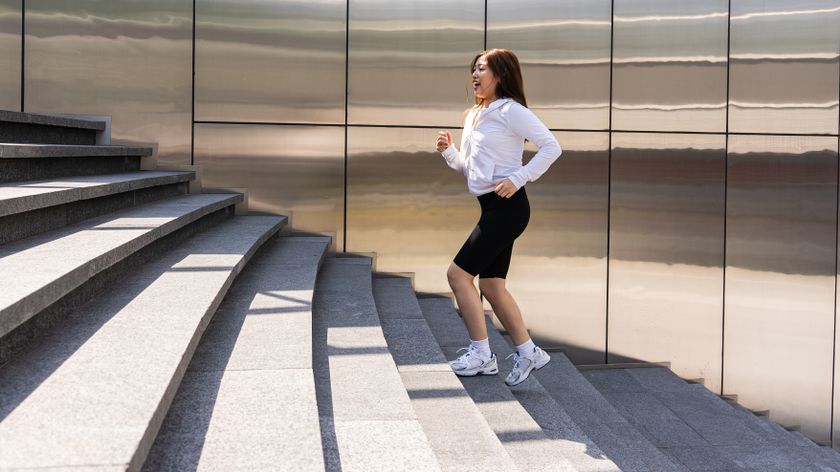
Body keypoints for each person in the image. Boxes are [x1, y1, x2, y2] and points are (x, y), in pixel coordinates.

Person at [434, 49, 562, 387]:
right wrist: (449, 151)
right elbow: (471, 170)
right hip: (490, 206)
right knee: (491, 284)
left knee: (458, 275)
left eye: (483, 69)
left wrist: (518, 177)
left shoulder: (512, 111)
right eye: (473, 69)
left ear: (501, 75)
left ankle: (482, 355)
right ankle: (528, 351)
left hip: (509, 208)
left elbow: (552, 147)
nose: (475, 75)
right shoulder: (475, 115)